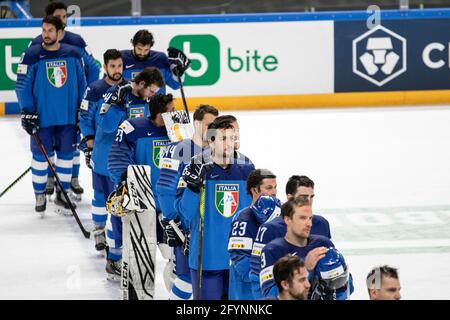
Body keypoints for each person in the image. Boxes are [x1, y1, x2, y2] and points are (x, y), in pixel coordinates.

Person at [91, 67, 164, 279]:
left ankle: (129, 255)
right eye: (151, 90)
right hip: (111, 163)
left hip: (138, 167)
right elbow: (105, 126)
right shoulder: (115, 95)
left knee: (132, 214)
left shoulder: (150, 101)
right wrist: (118, 104)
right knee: (117, 211)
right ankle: (113, 258)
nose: (153, 95)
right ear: (141, 85)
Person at [15, 15, 86, 215]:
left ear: (60, 33)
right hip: (42, 118)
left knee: (66, 157)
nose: (45, 34)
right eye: (44, 30)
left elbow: (82, 85)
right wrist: (28, 112)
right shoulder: (31, 55)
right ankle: (39, 193)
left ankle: (62, 194)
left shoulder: (73, 54)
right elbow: (21, 86)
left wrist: (83, 111)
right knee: (39, 158)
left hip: (68, 118)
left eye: (50, 31)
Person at [178, 118, 255, 300]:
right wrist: (193, 187)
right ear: (211, 141)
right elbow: (185, 214)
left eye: (231, 138)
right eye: (222, 139)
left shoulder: (246, 167)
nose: (228, 143)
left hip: (240, 259)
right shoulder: (195, 165)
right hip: (207, 258)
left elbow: (251, 211)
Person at [31, 1, 100, 199]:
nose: (63, 20)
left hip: (71, 102)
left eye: (64, 17)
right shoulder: (37, 43)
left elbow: (93, 68)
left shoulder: (76, 40)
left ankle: (73, 178)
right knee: (49, 143)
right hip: (48, 107)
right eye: (59, 17)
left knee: (70, 143)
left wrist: (85, 95)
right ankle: (52, 177)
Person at [157, 104, 219, 300]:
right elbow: (165, 188)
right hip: (184, 225)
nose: (213, 130)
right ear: (197, 123)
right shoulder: (178, 149)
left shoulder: (217, 152)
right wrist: (171, 220)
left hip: (208, 226)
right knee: (186, 276)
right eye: (209, 124)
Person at [249, 175, 331, 298]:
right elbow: (258, 280)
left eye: (311, 197)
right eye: (303, 197)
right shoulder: (269, 230)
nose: (308, 201)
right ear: (289, 198)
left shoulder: (321, 225)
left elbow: (336, 272)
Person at [78, 49, 123, 252]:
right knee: (99, 195)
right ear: (105, 67)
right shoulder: (94, 90)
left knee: (119, 195)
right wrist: (88, 139)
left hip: (123, 155)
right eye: (112, 66)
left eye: (119, 66)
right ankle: (98, 230)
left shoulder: (128, 89)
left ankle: (118, 233)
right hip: (102, 152)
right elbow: (85, 116)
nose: (116, 70)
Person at [228, 169, 280, 300]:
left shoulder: (282, 213)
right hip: (249, 292)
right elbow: (241, 262)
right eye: (269, 188)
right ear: (254, 190)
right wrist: (267, 280)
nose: (274, 192)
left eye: (275, 187)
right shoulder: (243, 219)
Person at [121, 29, 189, 93]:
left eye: (146, 50)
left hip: (158, 104)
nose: (142, 53)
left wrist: (179, 73)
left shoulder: (160, 59)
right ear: (133, 44)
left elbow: (176, 86)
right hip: (132, 104)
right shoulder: (122, 58)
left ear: (151, 46)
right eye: (139, 49)